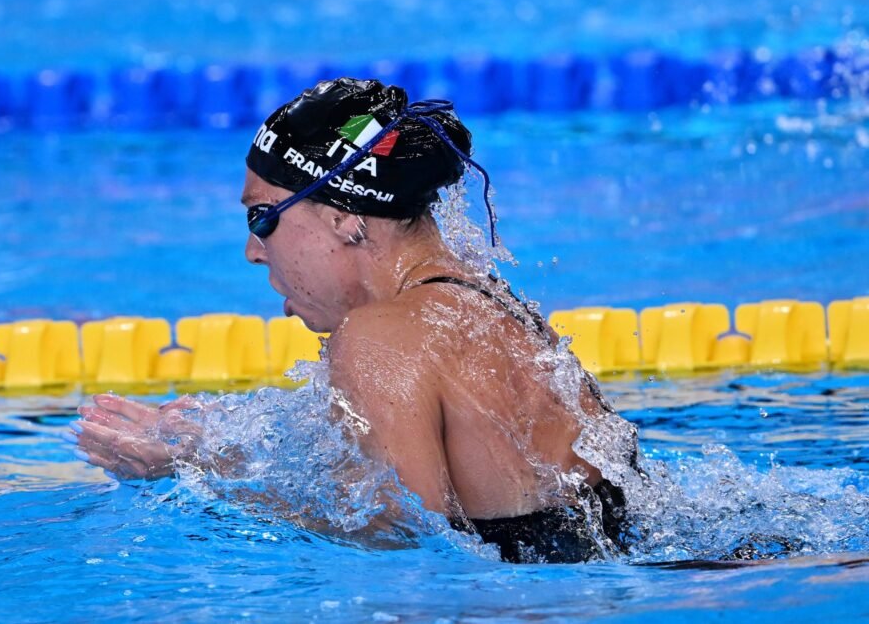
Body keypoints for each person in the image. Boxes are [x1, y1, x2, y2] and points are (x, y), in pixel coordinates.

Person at [72, 78, 643, 563]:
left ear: (346, 220)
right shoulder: (491, 307)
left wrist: (199, 469)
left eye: (263, 216)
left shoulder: (379, 337)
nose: (253, 248)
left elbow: (407, 538)